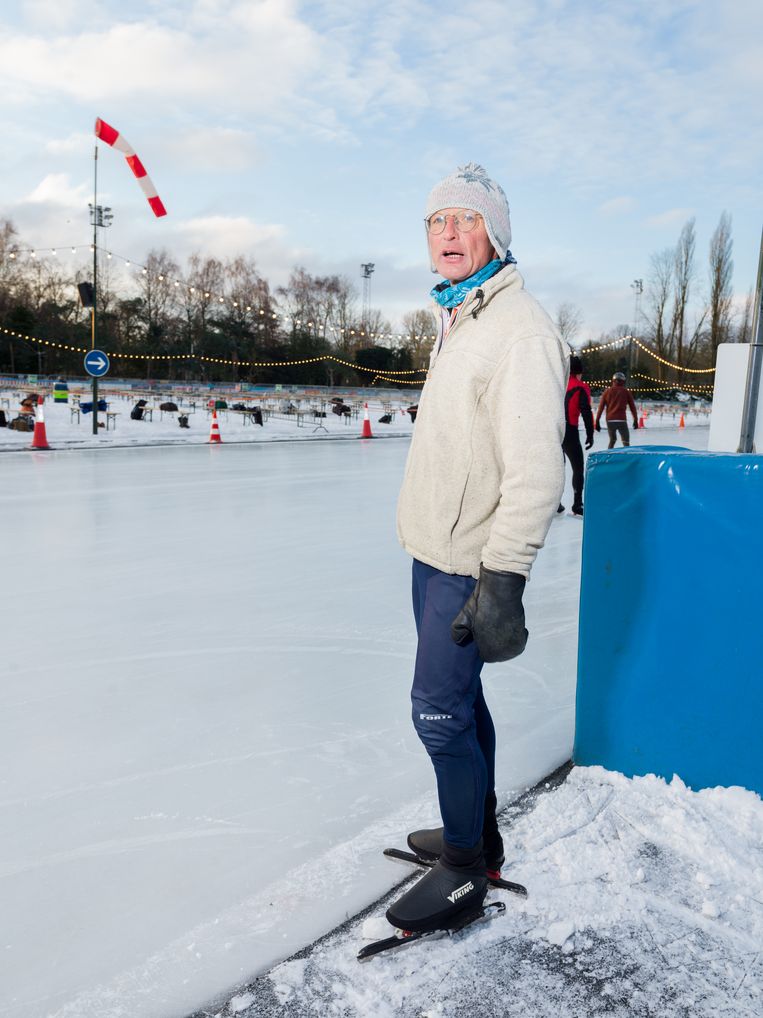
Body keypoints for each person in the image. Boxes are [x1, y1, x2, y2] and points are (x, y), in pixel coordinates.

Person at [391, 163, 568, 934]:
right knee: (460, 701)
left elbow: (534, 473)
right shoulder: (462, 316)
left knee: (436, 711)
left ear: (494, 234)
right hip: (431, 550)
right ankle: (479, 834)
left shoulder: (519, 329)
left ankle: (464, 867)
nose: (449, 233)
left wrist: (503, 578)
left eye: (465, 220)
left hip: (469, 564)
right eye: (438, 221)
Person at [558, 354, 594, 517]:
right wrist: (590, 433)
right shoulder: (580, 387)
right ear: (579, 371)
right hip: (570, 431)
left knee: (558, 468)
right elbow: (586, 411)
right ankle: (577, 504)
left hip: (555, 431)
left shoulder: (557, 384)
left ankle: (556, 504)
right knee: (577, 468)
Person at [595, 372, 638, 448]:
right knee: (625, 441)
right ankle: (627, 457)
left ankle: (609, 456)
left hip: (610, 420)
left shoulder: (607, 392)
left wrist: (597, 421)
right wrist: (635, 420)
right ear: (623, 381)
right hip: (621, 420)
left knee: (612, 440)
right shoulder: (626, 392)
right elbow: (632, 407)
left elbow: (601, 408)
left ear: (613, 380)